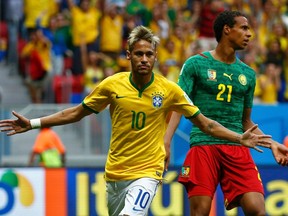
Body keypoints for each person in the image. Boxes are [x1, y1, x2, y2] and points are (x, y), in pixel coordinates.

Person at [0, 25, 272, 216]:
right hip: (115, 173)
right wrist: (34, 124)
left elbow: (205, 123)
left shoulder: (169, 90)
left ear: (155, 57)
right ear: (129, 56)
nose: (144, 59)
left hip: (148, 172)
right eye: (139, 54)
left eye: (149, 54)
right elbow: (75, 113)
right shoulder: (111, 85)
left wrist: (239, 138)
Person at [164, 11, 288, 216]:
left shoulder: (247, 74)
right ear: (227, 30)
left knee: (257, 209)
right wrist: (166, 142)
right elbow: (179, 105)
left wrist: (272, 143)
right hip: (204, 144)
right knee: (200, 212)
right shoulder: (196, 64)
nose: (249, 34)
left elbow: (245, 121)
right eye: (244, 28)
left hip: (237, 146)